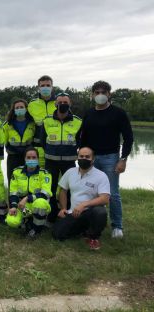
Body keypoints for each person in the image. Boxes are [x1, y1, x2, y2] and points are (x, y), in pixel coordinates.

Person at [79, 81, 133, 239]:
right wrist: (82, 155)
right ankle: (91, 223)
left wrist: (123, 159)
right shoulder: (89, 113)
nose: (100, 95)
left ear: (109, 94)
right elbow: (83, 135)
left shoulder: (118, 113)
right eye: (96, 92)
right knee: (90, 192)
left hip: (111, 158)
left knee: (113, 193)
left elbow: (128, 138)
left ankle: (117, 226)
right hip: (91, 158)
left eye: (103, 92)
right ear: (92, 95)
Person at [52, 147, 110, 250]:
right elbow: (63, 191)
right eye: (81, 156)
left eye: (87, 157)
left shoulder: (101, 176)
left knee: (100, 212)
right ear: (77, 158)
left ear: (93, 159)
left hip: (90, 212)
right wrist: (63, 208)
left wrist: (84, 205)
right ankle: (83, 230)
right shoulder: (70, 172)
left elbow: (105, 199)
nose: (84, 158)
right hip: (73, 212)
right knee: (57, 234)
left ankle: (93, 237)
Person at [42, 93, 82, 223]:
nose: (63, 104)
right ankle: (52, 216)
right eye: (60, 102)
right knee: (50, 189)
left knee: (69, 189)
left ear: (70, 104)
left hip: (69, 161)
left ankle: (68, 215)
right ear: (55, 104)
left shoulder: (78, 121)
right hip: (51, 161)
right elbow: (43, 140)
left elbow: (80, 141)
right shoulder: (47, 120)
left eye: (66, 102)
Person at [5, 148, 52, 238]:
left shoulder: (45, 174)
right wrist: (14, 206)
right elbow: (13, 192)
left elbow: (45, 194)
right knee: (11, 221)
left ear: (38, 159)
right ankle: (27, 222)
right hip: (21, 206)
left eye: (34, 157)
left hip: (37, 204)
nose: (31, 160)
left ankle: (36, 229)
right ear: (25, 159)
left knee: (40, 203)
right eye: (28, 157)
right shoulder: (16, 172)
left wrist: (27, 198)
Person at [2, 99, 36, 183]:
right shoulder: (7, 125)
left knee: (29, 181)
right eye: (17, 107)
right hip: (13, 157)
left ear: (26, 108)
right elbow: (5, 141)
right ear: (13, 110)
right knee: (13, 180)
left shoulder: (32, 123)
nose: (19, 109)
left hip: (28, 157)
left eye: (21, 107)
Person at [27, 75, 57, 168]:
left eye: (48, 85)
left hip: (56, 147)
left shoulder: (59, 103)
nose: (45, 88)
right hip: (37, 148)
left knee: (55, 178)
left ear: (52, 87)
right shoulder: (32, 104)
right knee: (38, 177)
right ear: (38, 88)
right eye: (43, 85)